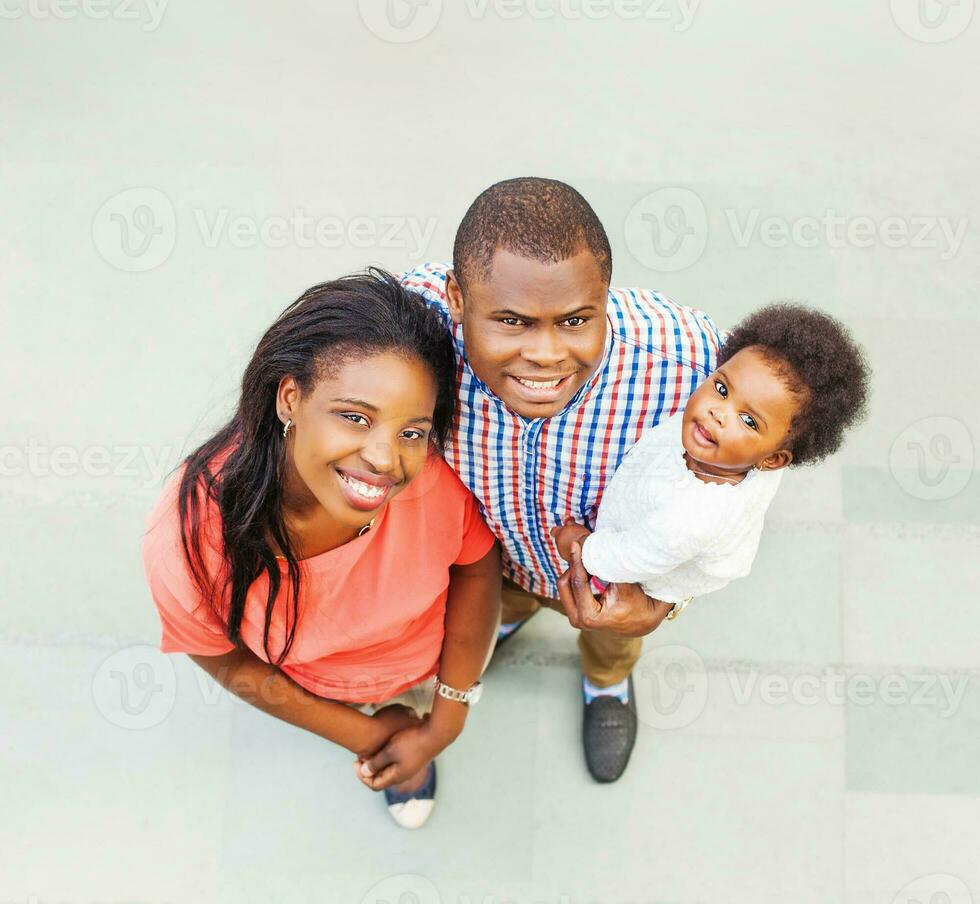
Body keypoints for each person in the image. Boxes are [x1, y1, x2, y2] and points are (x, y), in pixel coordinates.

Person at [141, 270, 501, 829]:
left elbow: (477, 569)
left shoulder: (432, 483)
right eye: (354, 417)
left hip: (428, 662)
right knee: (400, 756)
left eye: (412, 430)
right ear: (290, 398)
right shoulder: (189, 536)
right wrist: (365, 734)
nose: (386, 458)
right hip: (318, 684)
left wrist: (446, 717)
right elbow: (222, 657)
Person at [402, 177, 721, 783]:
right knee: (497, 601)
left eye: (576, 320)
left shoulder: (691, 366)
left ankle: (607, 687)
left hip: (611, 582)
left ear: (607, 298)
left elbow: (742, 486)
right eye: (513, 321)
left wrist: (664, 603)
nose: (546, 354)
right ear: (457, 300)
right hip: (488, 560)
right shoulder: (406, 327)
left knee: (613, 643)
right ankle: (505, 620)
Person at [553, 304, 871, 607]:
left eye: (748, 420)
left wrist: (582, 547)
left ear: (773, 461)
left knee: (610, 645)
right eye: (721, 388)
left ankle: (606, 666)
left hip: (635, 577)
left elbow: (631, 556)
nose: (718, 413)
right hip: (648, 520)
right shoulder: (741, 449)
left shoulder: (691, 517)